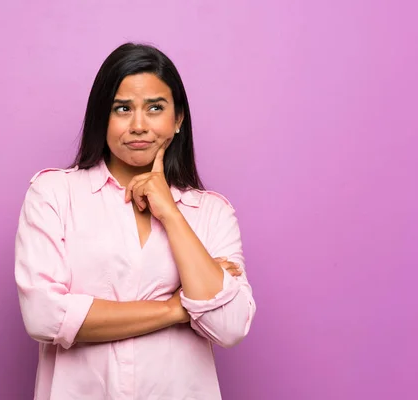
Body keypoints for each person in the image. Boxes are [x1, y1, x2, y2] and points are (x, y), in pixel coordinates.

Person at [15, 42, 256, 400]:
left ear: (177, 120)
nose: (139, 125)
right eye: (122, 108)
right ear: (102, 117)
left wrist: (172, 215)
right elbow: (43, 316)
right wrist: (176, 308)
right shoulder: (53, 194)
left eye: (155, 108)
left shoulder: (211, 212)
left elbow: (229, 326)